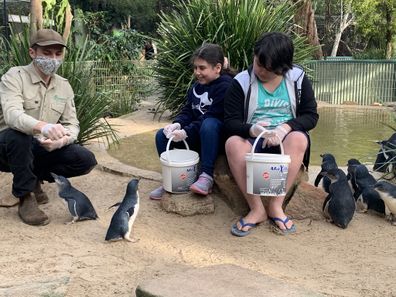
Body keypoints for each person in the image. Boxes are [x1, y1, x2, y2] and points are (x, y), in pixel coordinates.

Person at [224, 32, 319, 236]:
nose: (260, 71)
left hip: (285, 137)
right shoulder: (241, 82)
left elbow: (311, 116)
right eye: (258, 63)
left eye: (268, 70)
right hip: (254, 137)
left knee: (299, 138)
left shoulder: (297, 79)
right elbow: (230, 122)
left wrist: (284, 127)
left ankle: (277, 205)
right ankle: (257, 209)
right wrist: (253, 129)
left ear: (283, 68)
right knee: (233, 144)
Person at [0, 29, 97, 226]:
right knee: (20, 136)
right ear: (32, 53)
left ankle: (34, 178)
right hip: (7, 147)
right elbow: (12, 116)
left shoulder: (64, 86)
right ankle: (25, 196)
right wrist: (43, 127)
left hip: (39, 147)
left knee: (84, 159)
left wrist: (63, 140)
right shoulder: (14, 76)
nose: (53, 59)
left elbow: (72, 124)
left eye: (58, 54)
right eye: (47, 53)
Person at [150, 43, 234, 199]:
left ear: (217, 68)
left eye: (202, 68)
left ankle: (206, 176)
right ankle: (172, 179)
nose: (197, 72)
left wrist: (186, 131)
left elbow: (212, 115)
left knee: (210, 124)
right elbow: (188, 110)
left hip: (215, 137)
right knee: (161, 135)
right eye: (195, 68)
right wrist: (178, 124)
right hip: (196, 133)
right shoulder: (197, 87)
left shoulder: (226, 85)